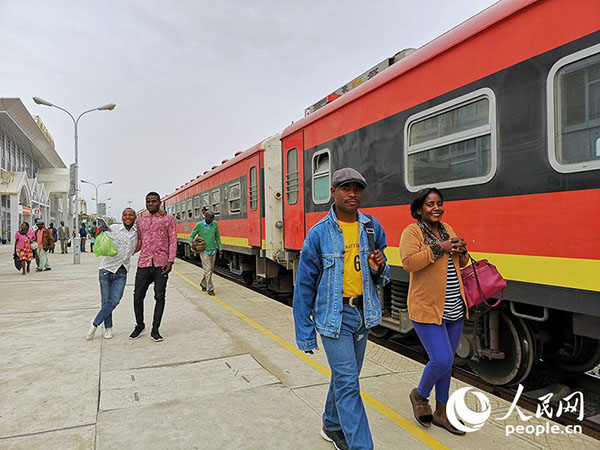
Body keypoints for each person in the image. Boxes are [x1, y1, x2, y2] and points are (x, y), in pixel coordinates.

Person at [293, 168, 390, 450]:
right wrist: (305, 332)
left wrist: (379, 267)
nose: (352, 194)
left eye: (357, 189)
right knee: (349, 383)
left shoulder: (372, 227)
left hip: (363, 313)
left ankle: (331, 423)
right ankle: (361, 446)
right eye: (345, 188)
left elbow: (383, 275)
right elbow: (304, 286)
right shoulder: (319, 234)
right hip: (334, 317)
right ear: (333, 192)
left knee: (346, 377)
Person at [399, 187, 469, 436]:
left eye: (439, 203)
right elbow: (409, 262)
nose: (437, 208)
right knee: (442, 359)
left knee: (447, 365)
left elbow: (461, 264)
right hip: (427, 308)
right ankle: (419, 395)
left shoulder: (448, 229)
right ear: (419, 209)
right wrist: (440, 248)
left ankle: (442, 411)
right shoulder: (412, 231)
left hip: (454, 307)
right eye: (430, 204)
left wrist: (461, 251)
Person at [129, 192, 177, 342]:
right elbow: (139, 243)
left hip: (161, 263)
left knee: (159, 296)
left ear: (160, 202)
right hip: (144, 263)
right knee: (138, 296)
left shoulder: (168, 219)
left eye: (153, 201)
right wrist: (125, 251)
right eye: (148, 202)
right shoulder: (141, 222)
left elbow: (173, 240)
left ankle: (155, 329)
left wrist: (170, 261)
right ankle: (140, 325)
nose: (150, 204)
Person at [87, 208, 139, 340]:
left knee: (115, 300)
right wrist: (98, 232)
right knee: (106, 301)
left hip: (122, 271)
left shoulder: (137, 232)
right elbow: (99, 234)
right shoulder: (114, 228)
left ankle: (95, 323)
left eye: (130, 215)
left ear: (135, 217)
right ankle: (108, 328)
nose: (128, 217)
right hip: (106, 269)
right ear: (122, 217)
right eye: (125, 215)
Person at [189, 211, 222, 296]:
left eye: (213, 218)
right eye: (210, 218)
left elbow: (217, 237)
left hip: (213, 250)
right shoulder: (199, 225)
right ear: (205, 217)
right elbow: (191, 236)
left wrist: (220, 248)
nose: (212, 219)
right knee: (207, 270)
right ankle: (210, 288)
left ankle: (203, 283)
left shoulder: (215, 225)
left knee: (211, 270)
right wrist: (192, 244)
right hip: (204, 251)